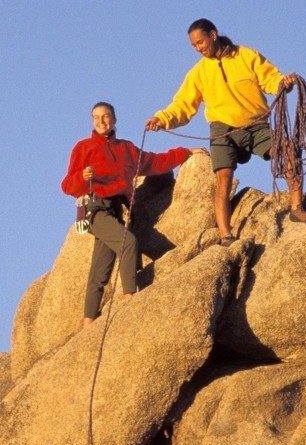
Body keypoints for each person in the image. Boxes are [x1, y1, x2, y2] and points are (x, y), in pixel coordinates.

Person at [145, 18, 306, 245]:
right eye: (194, 45)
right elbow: (183, 105)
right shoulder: (198, 73)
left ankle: (297, 208)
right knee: (223, 177)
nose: (198, 48)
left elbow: (270, 78)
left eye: (200, 42)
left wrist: (282, 83)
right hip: (223, 130)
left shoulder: (247, 56)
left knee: (288, 150)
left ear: (213, 34)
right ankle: (225, 234)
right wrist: (162, 119)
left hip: (256, 125)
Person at [62, 102, 206, 326]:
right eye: (96, 117)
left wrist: (185, 152)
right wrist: (83, 176)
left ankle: (88, 321)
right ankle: (130, 297)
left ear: (114, 119)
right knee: (128, 242)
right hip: (94, 209)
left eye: (106, 116)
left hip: (116, 211)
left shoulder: (127, 149)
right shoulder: (84, 147)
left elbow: (155, 162)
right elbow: (67, 186)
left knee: (101, 267)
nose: (101, 121)